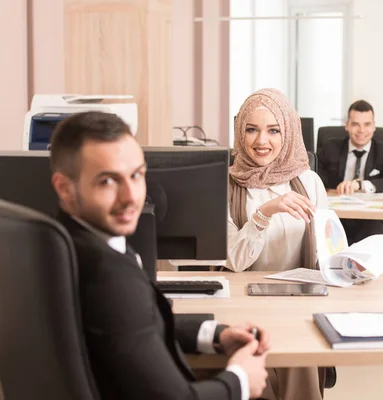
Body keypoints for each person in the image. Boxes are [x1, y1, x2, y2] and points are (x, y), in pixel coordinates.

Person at [49, 111, 269, 400]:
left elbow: (128, 328)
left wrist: (214, 334)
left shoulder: (66, 244)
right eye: (107, 181)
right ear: (64, 188)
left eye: (137, 175)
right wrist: (241, 381)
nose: (132, 196)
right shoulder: (107, 276)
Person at [227, 88, 328, 400]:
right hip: (244, 306)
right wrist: (264, 212)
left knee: (300, 359)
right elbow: (234, 260)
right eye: (251, 129)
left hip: (299, 302)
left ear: (289, 133)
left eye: (273, 130)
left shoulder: (308, 181)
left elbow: (328, 248)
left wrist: (348, 263)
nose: (261, 141)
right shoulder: (226, 184)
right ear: (239, 131)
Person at [317, 100, 383, 245]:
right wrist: (334, 187)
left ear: (374, 126)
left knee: (373, 233)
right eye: (356, 124)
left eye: (367, 124)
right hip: (337, 216)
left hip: (370, 218)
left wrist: (360, 185)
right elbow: (315, 173)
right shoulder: (331, 147)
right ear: (347, 125)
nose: (361, 130)